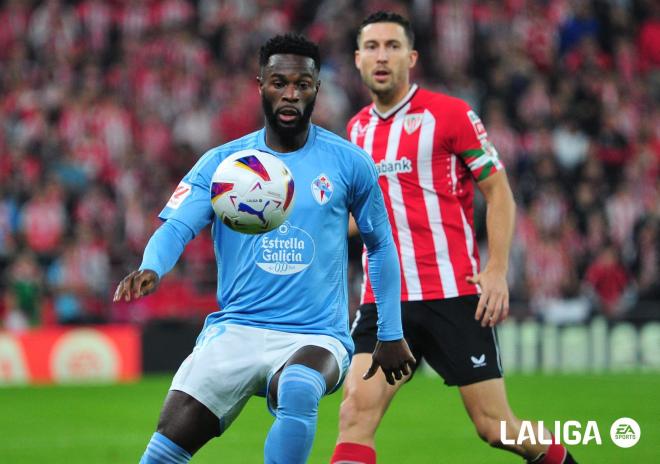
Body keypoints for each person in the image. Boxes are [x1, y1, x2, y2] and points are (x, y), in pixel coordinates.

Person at [113, 33, 415, 464]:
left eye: (302, 84)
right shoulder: (224, 164)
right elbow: (178, 225)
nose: (290, 94)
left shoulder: (349, 163)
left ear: (315, 89)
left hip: (315, 335)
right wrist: (152, 266)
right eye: (279, 82)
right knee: (165, 448)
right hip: (235, 329)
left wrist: (390, 331)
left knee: (298, 387)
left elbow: (381, 246)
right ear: (260, 85)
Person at [330, 12, 577, 464]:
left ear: (412, 57)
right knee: (354, 416)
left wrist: (497, 271)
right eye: (372, 47)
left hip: (453, 294)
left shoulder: (451, 114)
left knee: (495, 428)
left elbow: (498, 193)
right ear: (357, 60)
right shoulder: (356, 131)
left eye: (392, 46)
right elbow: (366, 215)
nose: (381, 56)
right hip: (385, 300)